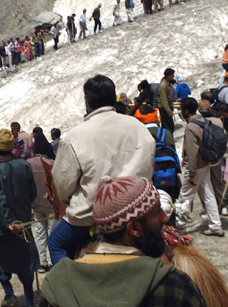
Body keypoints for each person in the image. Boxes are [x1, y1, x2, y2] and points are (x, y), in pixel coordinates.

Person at [41, 176, 207, 307]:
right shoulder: (176, 288)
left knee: (55, 242)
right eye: (157, 212)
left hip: (84, 211)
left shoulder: (56, 287)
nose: (165, 218)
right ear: (134, 228)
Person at [49, 75, 155, 264]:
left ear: (88, 102)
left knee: (56, 243)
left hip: (91, 214)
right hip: (138, 206)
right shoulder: (138, 127)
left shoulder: (74, 137)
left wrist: (66, 200)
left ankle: (69, 288)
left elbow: (63, 183)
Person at [0, 129, 39, 307]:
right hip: (22, 224)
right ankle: (29, 302)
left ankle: (9, 294)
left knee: (0, 264)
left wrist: (7, 222)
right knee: (25, 264)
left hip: (0, 227)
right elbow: (32, 193)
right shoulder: (23, 165)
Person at [176, 98, 225, 237]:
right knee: (208, 194)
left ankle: (179, 226)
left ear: (185, 110)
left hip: (196, 166)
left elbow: (192, 151)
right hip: (205, 163)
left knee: (184, 196)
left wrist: (191, 173)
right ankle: (215, 225)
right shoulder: (204, 121)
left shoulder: (191, 126)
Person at [27, 151, 57, 273]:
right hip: (51, 205)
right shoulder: (53, 164)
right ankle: (51, 261)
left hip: (36, 205)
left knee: (39, 234)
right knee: (52, 233)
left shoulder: (28, 164)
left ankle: (41, 262)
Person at [157, 68, 176, 133]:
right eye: (172, 75)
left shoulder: (168, 83)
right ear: (168, 75)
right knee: (169, 128)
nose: (173, 76)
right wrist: (169, 111)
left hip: (167, 107)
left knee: (170, 127)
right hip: (164, 109)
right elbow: (164, 100)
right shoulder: (163, 86)